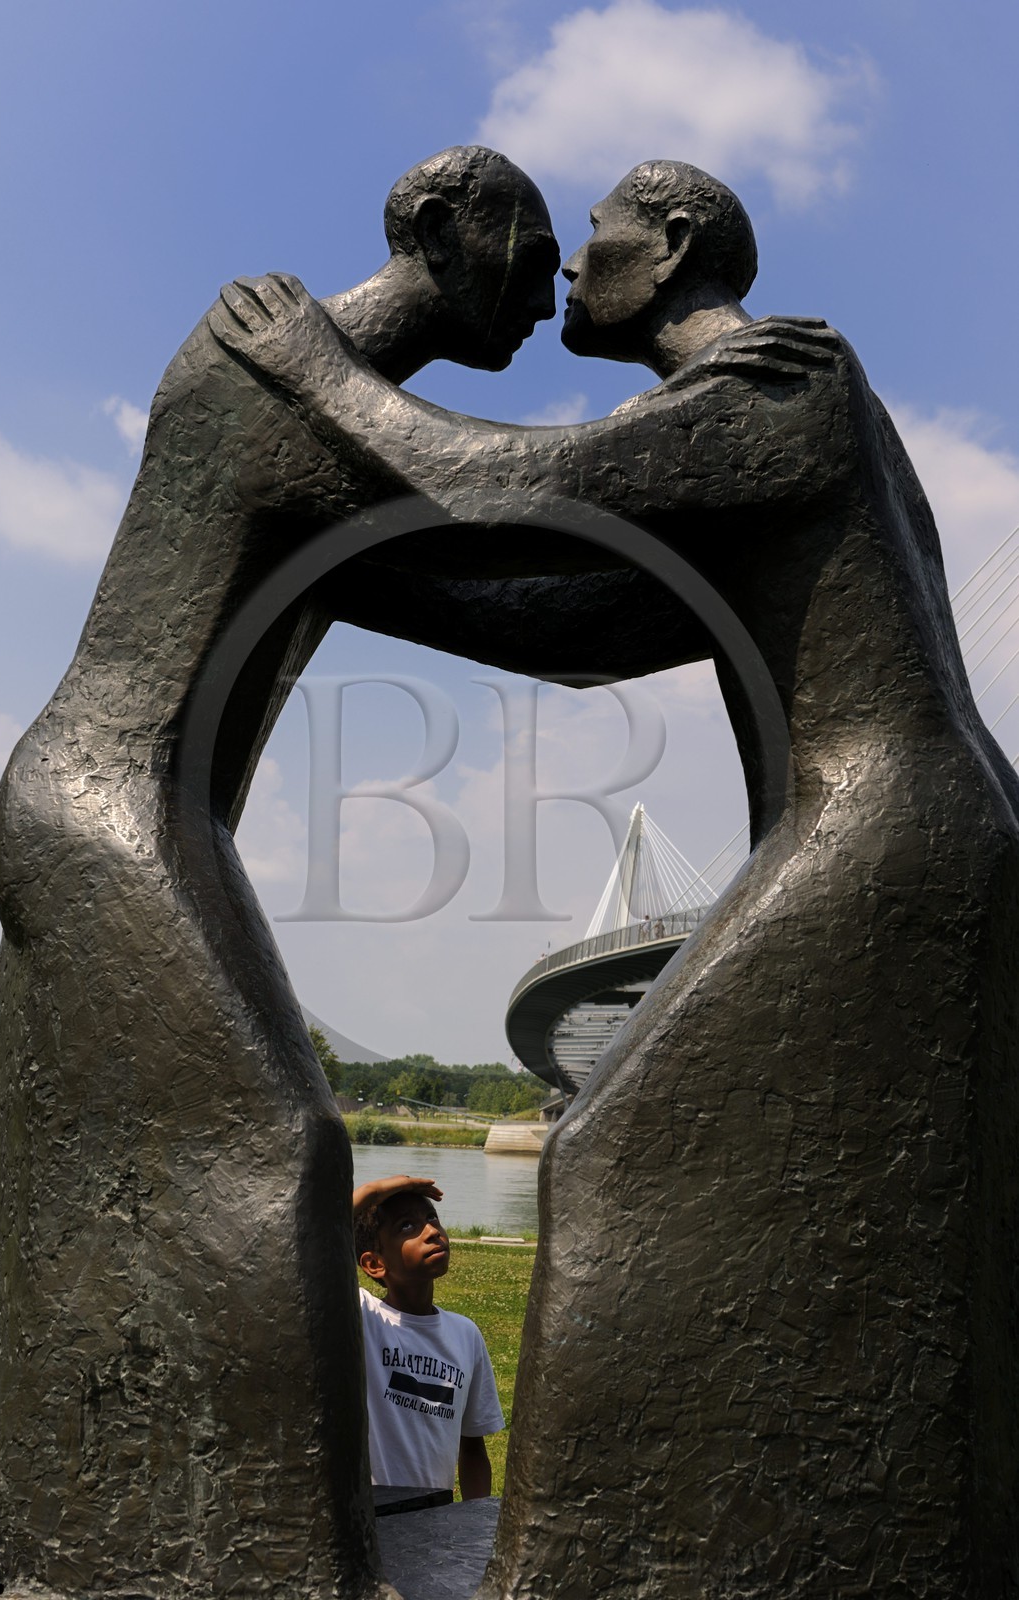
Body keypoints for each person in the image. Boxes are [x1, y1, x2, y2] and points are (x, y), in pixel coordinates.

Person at [209, 161, 1019, 1597]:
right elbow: (577, 621)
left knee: (623, 1157)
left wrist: (309, 373)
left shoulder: (770, 391)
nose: (570, 273)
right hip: (911, 820)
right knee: (802, 1187)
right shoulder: (761, 407)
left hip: (878, 828)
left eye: (595, 243)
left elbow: (497, 488)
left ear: (679, 247)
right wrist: (327, 562)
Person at [0, 148, 558, 1600]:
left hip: (144, 818)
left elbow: (532, 607)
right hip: (110, 810)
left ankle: (56, 1512)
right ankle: (252, 1560)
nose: (545, 292)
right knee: (277, 1150)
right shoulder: (266, 375)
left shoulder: (313, 405)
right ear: (433, 228)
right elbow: (499, 521)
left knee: (70, 1181)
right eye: (529, 250)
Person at [352, 1175, 502, 1499]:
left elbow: (473, 1447)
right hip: (376, 1518)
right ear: (374, 1264)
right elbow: (310, 1241)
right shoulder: (362, 1318)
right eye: (407, 1227)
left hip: (437, 1520)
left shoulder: (465, 1334)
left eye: (431, 1218)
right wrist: (372, 1192)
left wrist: (476, 1528)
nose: (432, 1231)